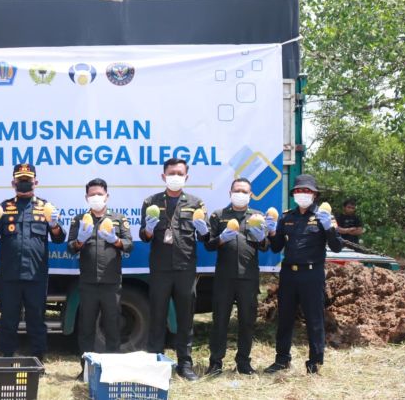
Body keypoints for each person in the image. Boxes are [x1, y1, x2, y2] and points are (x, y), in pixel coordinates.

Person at [0, 163, 66, 358]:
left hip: (36, 275)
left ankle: (38, 359)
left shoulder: (46, 207)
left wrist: (54, 224)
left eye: (27, 180)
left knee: (36, 320)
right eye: (20, 180)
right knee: (8, 320)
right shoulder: (3, 207)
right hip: (9, 274)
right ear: (13, 182)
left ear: (35, 182)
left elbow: (58, 238)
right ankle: (7, 357)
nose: (24, 183)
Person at [264, 173, 342, 375]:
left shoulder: (324, 217)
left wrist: (329, 229)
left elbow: (337, 247)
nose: (302, 194)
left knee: (314, 320)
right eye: (299, 191)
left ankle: (315, 363)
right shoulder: (287, 217)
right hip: (289, 274)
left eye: (307, 191)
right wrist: (271, 232)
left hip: (312, 274)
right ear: (294, 194)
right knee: (285, 319)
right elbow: (276, 247)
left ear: (314, 194)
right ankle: (282, 360)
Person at [139, 157, 206, 381]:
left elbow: (205, 237)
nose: (175, 177)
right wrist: (148, 228)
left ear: (186, 177)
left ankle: (185, 364)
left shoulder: (196, 203)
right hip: (160, 269)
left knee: (185, 318)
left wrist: (204, 230)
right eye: (171, 173)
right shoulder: (151, 202)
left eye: (180, 173)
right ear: (163, 176)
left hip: (186, 268)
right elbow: (144, 236)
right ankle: (155, 361)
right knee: (157, 316)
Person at [203, 178, 268, 377]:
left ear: (250, 194)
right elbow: (209, 244)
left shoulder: (258, 216)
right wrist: (221, 239)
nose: (240, 193)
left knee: (247, 321)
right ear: (230, 192)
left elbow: (266, 246)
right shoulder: (218, 215)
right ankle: (215, 363)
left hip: (248, 278)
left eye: (244, 191)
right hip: (224, 277)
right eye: (236, 190)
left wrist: (262, 238)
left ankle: (243, 363)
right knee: (220, 320)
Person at [67, 178, 132, 373]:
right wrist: (79, 240)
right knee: (86, 327)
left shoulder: (118, 218)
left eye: (99, 194)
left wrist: (116, 240)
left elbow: (130, 244)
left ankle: (111, 370)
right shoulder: (79, 220)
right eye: (92, 195)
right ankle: (86, 370)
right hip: (88, 283)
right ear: (86, 197)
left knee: (112, 326)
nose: (96, 198)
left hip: (111, 282)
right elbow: (70, 248)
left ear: (107, 196)